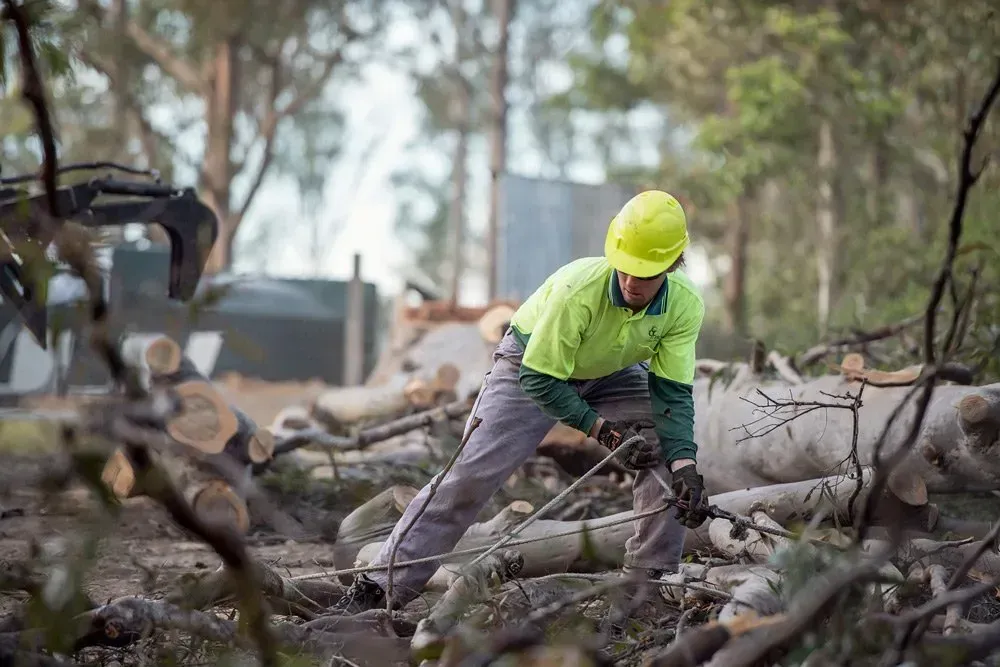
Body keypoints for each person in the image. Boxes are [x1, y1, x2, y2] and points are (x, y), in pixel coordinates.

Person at [329, 189, 711, 614]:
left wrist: (685, 467)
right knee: (470, 473)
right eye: (625, 269)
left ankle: (649, 587)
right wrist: (602, 430)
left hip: (614, 372)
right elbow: (540, 378)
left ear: (673, 264)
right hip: (530, 367)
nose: (630, 282)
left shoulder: (684, 306)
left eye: (645, 273)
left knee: (665, 447)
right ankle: (379, 589)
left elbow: (672, 394)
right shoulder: (577, 290)